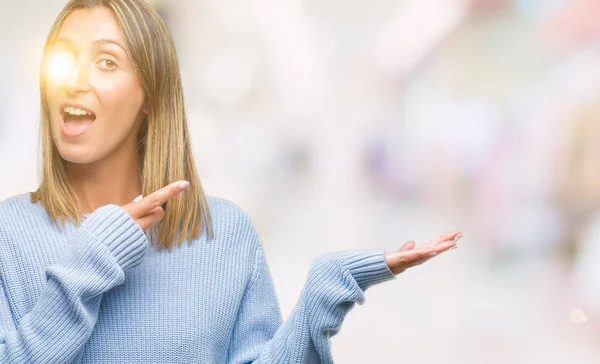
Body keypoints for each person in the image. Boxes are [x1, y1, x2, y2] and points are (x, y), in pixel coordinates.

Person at [0, 0, 461, 363]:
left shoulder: (225, 233)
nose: (74, 80)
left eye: (105, 63)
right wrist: (94, 258)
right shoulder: (8, 234)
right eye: (62, 58)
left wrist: (324, 293)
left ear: (150, 95)